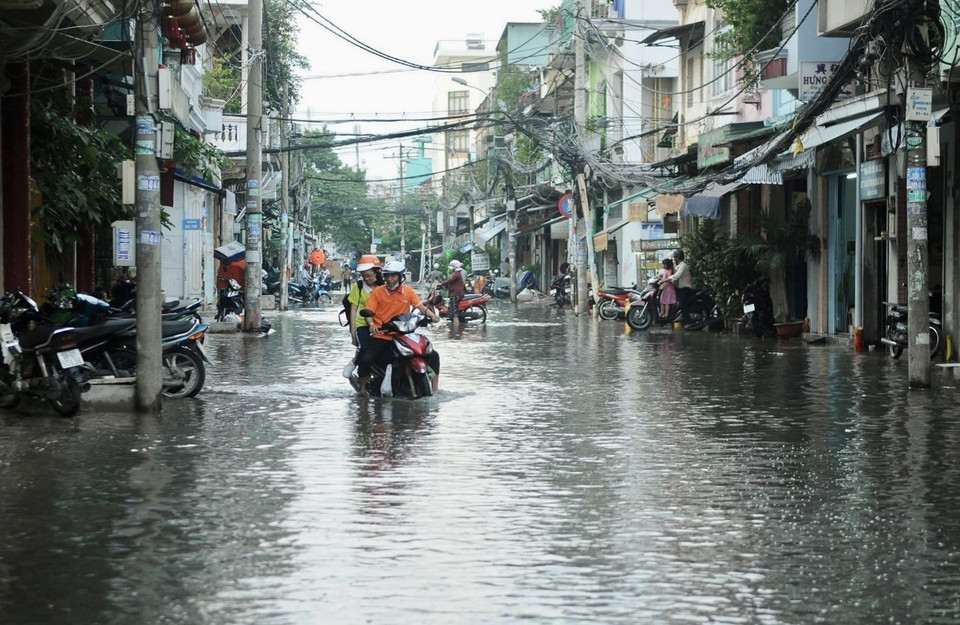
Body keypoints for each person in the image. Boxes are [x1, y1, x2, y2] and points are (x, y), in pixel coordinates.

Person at [356, 261, 441, 395]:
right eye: (387, 276)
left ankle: (435, 389)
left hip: (404, 334)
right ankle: (362, 389)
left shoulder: (408, 291)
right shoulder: (377, 292)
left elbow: (420, 307)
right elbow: (369, 312)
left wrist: (433, 316)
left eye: (393, 276)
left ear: (401, 277)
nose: (390, 279)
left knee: (433, 355)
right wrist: (372, 324)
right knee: (367, 358)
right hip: (383, 335)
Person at [347, 255, 383, 351]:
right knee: (365, 349)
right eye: (364, 276)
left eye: (369, 276)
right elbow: (353, 311)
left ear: (376, 273)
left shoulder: (383, 287)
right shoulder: (358, 286)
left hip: (380, 324)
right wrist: (353, 332)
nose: (366, 279)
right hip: (362, 325)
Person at [668, 249, 693, 326]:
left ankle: (689, 322)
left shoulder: (683, 265)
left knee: (682, 303)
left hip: (684, 288)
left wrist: (666, 279)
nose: (674, 259)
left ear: (678, 258)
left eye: (675, 258)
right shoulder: (677, 266)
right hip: (678, 288)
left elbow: (676, 276)